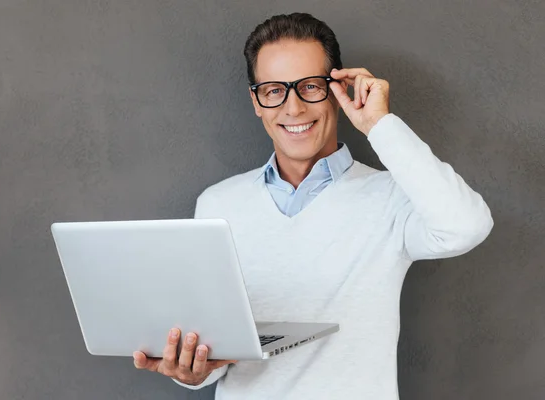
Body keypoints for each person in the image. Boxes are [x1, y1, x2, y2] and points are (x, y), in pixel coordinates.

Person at [132, 12, 493, 399]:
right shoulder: (218, 203)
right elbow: (209, 352)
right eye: (274, 90)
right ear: (256, 101)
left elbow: (467, 226)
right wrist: (189, 371)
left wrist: (379, 124)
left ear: (337, 89)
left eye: (309, 87)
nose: (293, 108)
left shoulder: (392, 197)